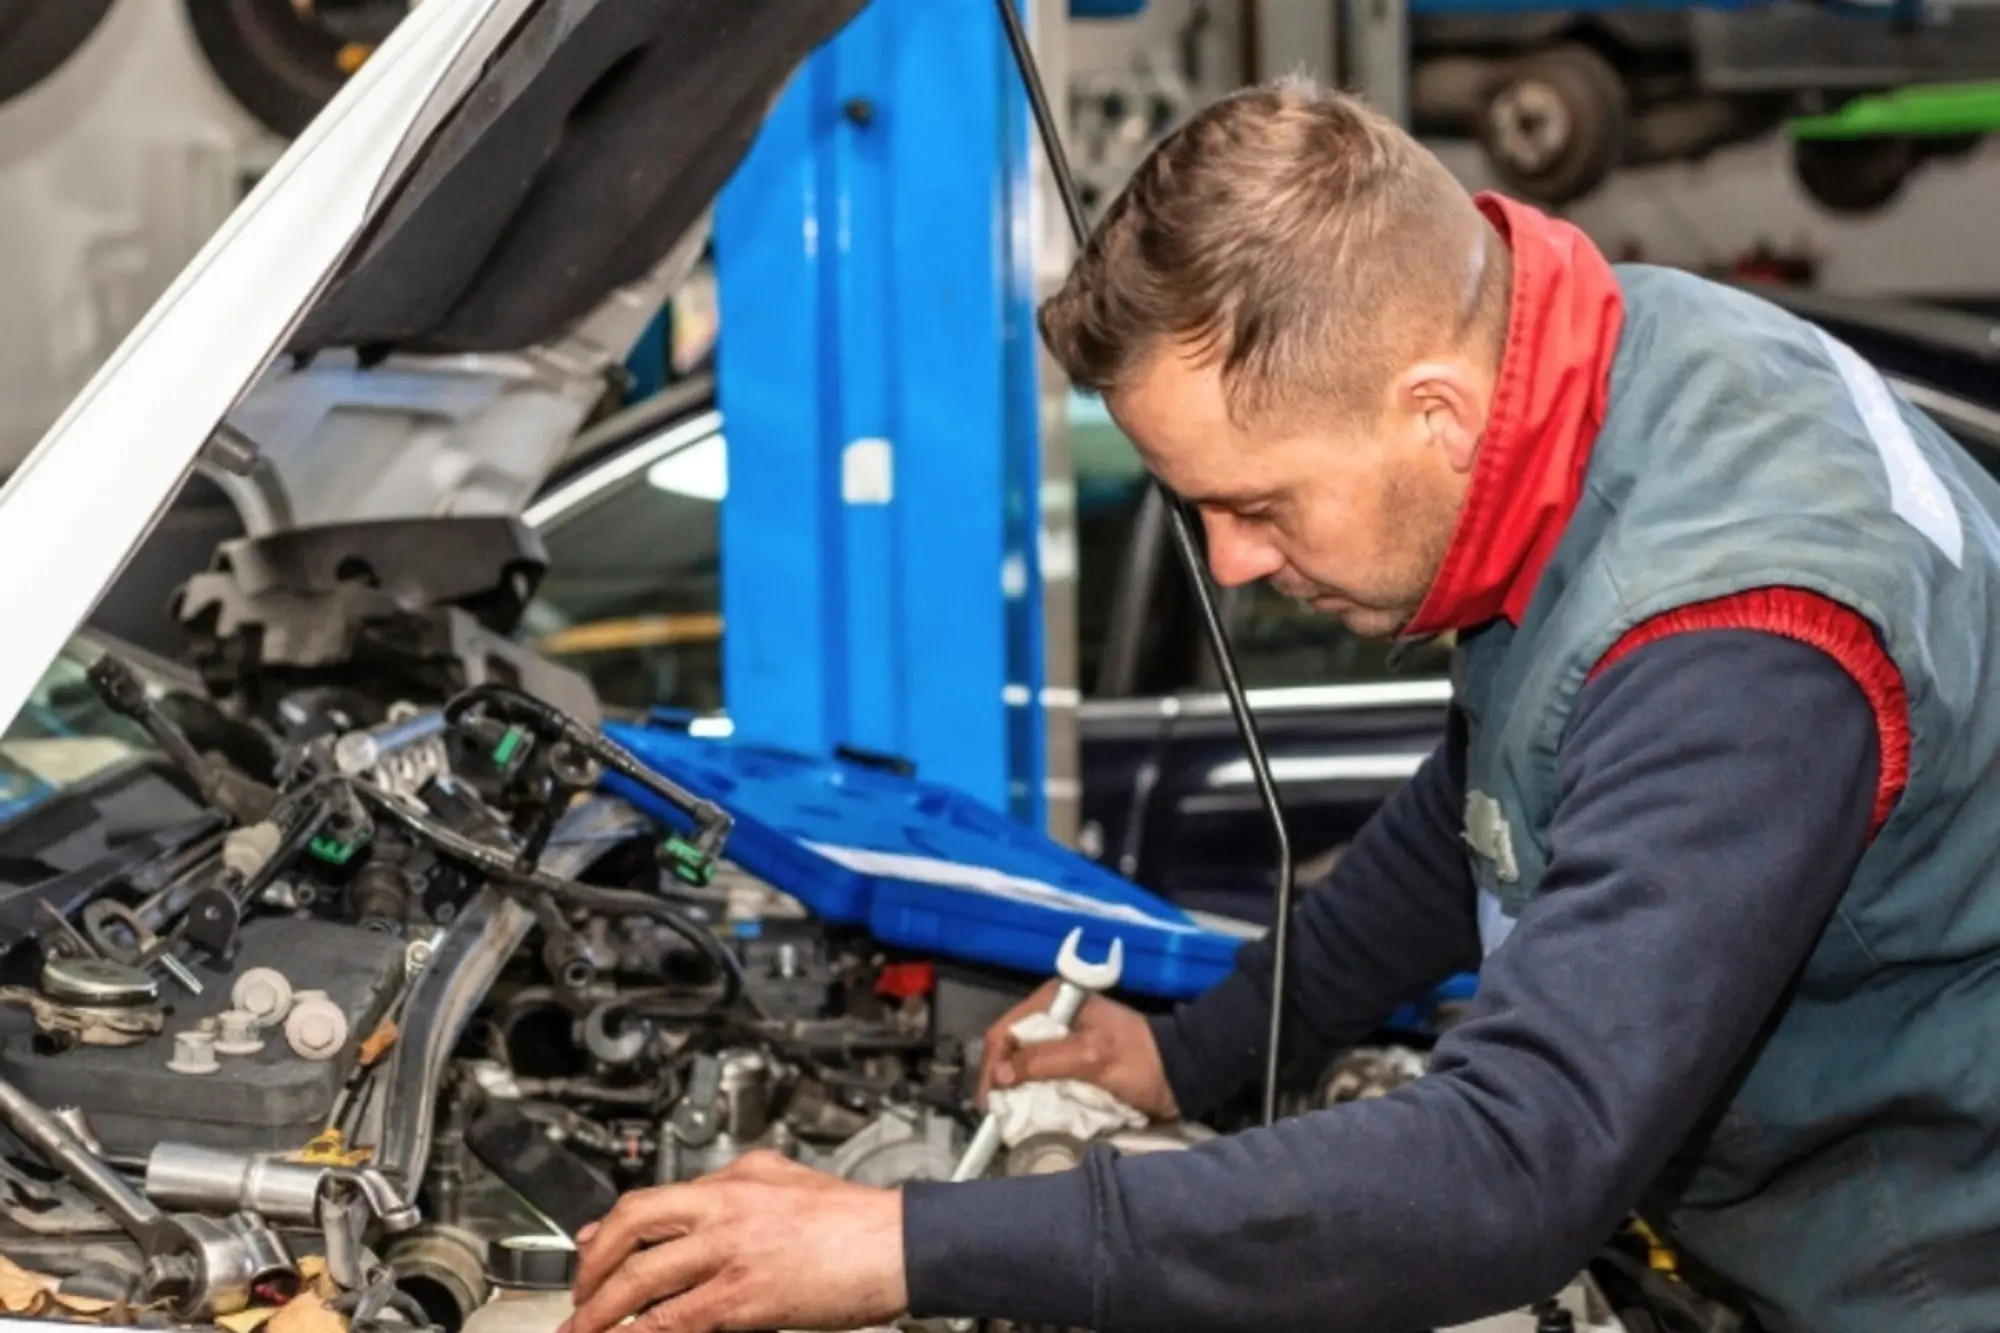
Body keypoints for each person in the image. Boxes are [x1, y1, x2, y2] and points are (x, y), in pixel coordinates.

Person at [557, 76, 2000, 1333]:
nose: (1235, 567)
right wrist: (1198, 1047)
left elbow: (1513, 1170)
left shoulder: (1734, 639)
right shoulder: (1628, 359)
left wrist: (901, 1242)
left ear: (1432, 410)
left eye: (1256, 506)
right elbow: (1485, 800)